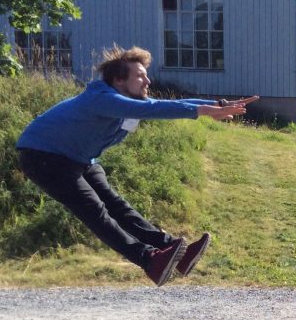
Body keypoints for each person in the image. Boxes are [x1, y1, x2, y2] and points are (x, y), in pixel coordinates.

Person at [16, 45, 259, 286]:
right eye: (140, 76)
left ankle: (173, 251)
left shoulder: (125, 101)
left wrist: (218, 104)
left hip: (80, 158)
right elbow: (152, 108)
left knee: (117, 206)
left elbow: (163, 103)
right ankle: (149, 260)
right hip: (42, 155)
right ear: (119, 80)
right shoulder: (101, 98)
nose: (148, 81)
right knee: (95, 210)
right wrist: (202, 111)